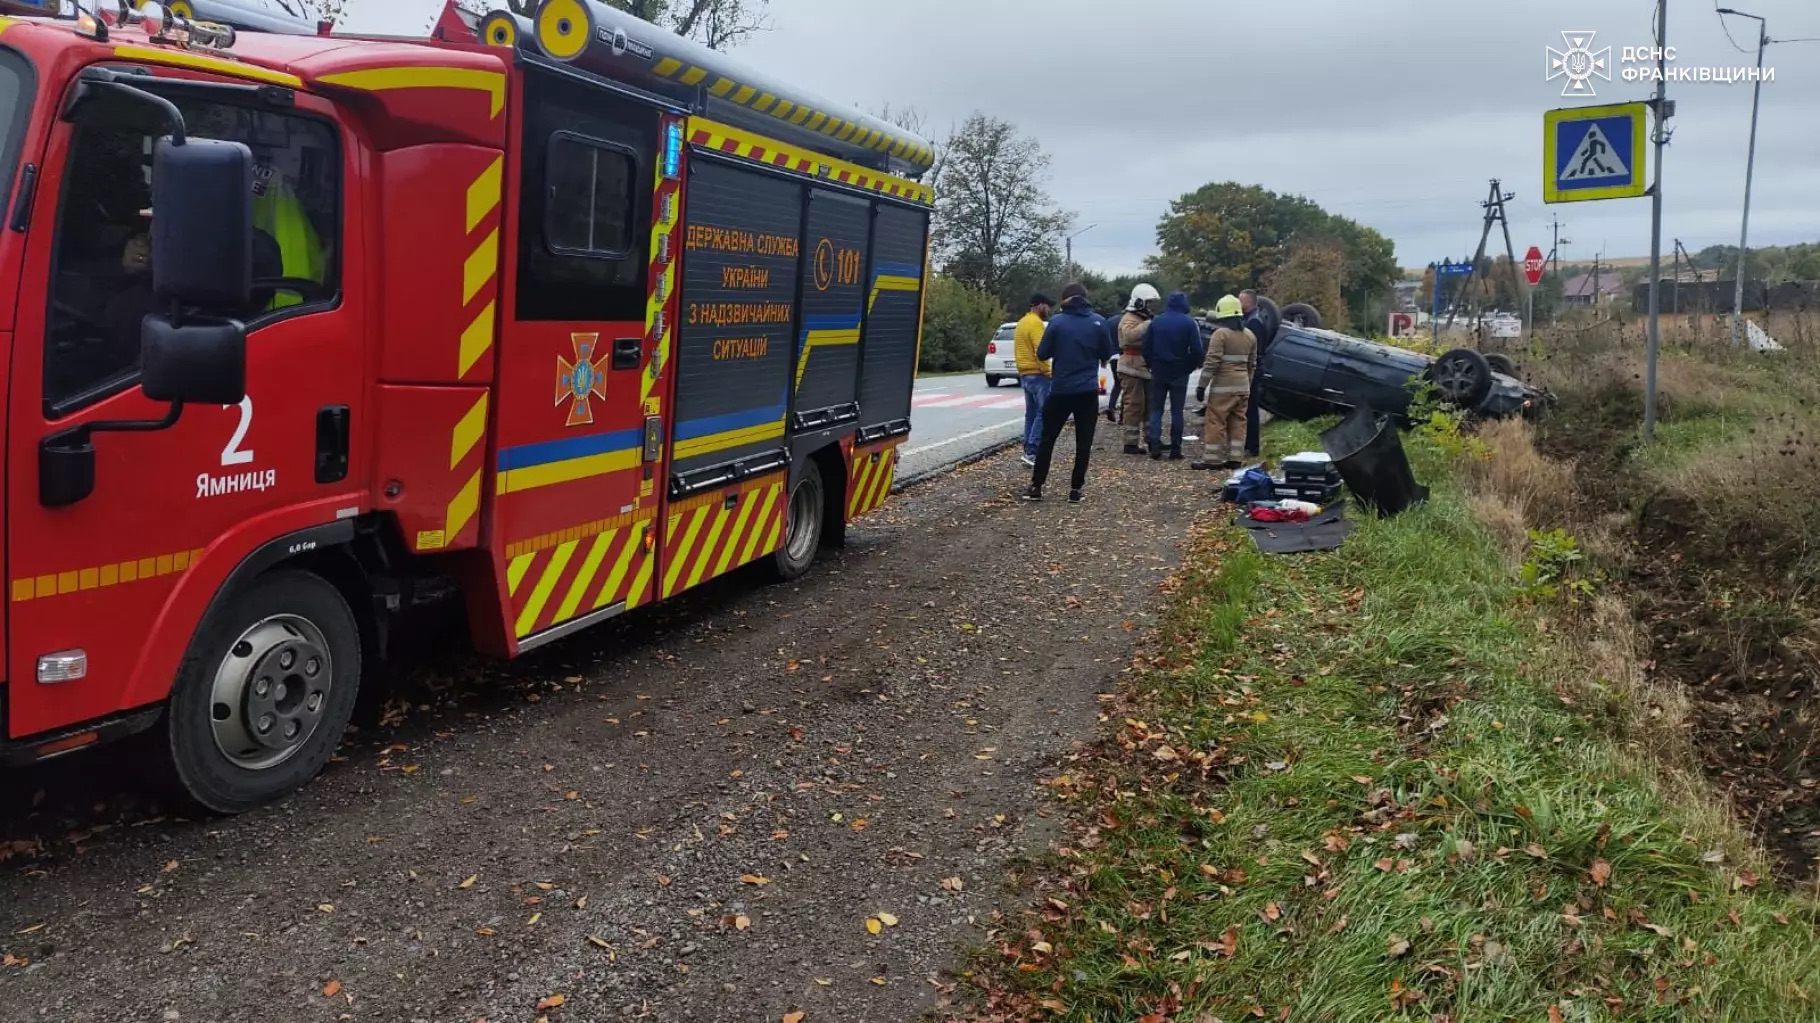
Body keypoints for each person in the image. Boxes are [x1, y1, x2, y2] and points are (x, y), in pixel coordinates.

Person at [1023, 282, 1113, 503]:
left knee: (1048, 438)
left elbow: (1043, 353)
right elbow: (1106, 354)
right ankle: (1076, 490)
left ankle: (1036, 486)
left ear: (1066, 300)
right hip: (1088, 391)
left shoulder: (1057, 323)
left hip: (1061, 389)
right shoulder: (1099, 322)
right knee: (1084, 442)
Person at [1192, 294, 1257, 470]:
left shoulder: (1220, 335)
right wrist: (1247, 384)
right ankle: (1236, 458)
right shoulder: (1250, 335)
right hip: (1243, 387)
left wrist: (1202, 385)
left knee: (1216, 421)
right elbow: (1252, 364)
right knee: (1238, 421)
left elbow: (1212, 362)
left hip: (1223, 387)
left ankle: (1212, 460)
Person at [1141, 290, 1204, 461]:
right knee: (1177, 411)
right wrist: (1189, 367)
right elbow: (1197, 350)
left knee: (1156, 409)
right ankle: (1176, 448)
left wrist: (1151, 364)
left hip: (1159, 370)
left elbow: (1145, 347)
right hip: (1179, 372)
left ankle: (1155, 445)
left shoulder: (1156, 321)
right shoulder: (1189, 323)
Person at [1111, 284, 1159, 453]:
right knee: (1134, 404)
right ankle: (1130, 443)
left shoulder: (1142, 318)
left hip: (1143, 367)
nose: (1149, 307)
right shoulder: (1129, 318)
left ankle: (1151, 439)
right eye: (1147, 303)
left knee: (1148, 405)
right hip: (1131, 367)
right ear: (1139, 302)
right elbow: (1129, 337)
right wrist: (1148, 325)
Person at [1014, 293, 1054, 466]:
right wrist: (1049, 371)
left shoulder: (1022, 322)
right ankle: (1032, 451)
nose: (1049, 309)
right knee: (1043, 413)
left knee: (1031, 413)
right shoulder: (1036, 324)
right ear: (1039, 305)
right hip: (1038, 375)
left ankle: (1027, 450)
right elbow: (1041, 352)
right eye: (1047, 305)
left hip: (1025, 373)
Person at [1239, 289, 1269, 458]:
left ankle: (1252, 446)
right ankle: (1250, 445)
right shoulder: (1254, 318)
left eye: (1240, 301)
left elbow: (1252, 349)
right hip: (1254, 368)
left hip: (1253, 369)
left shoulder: (1254, 322)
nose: (1238, 304)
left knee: (1250, 409)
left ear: (1249, 302)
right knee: (1249, 409)